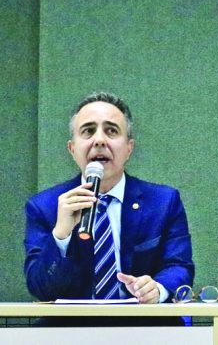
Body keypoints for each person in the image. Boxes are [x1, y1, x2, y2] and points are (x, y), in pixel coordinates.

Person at [24, 92, 194, 304]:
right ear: (72, 149)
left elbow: (180, 266)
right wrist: (61, 236)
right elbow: (40, 289)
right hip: (71, 324)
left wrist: (157, 289)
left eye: (111, 131)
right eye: (88, 131)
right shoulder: (44, 207)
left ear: (129, 148)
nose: (99, 140)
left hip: (144, 322)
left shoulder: (163, 202)